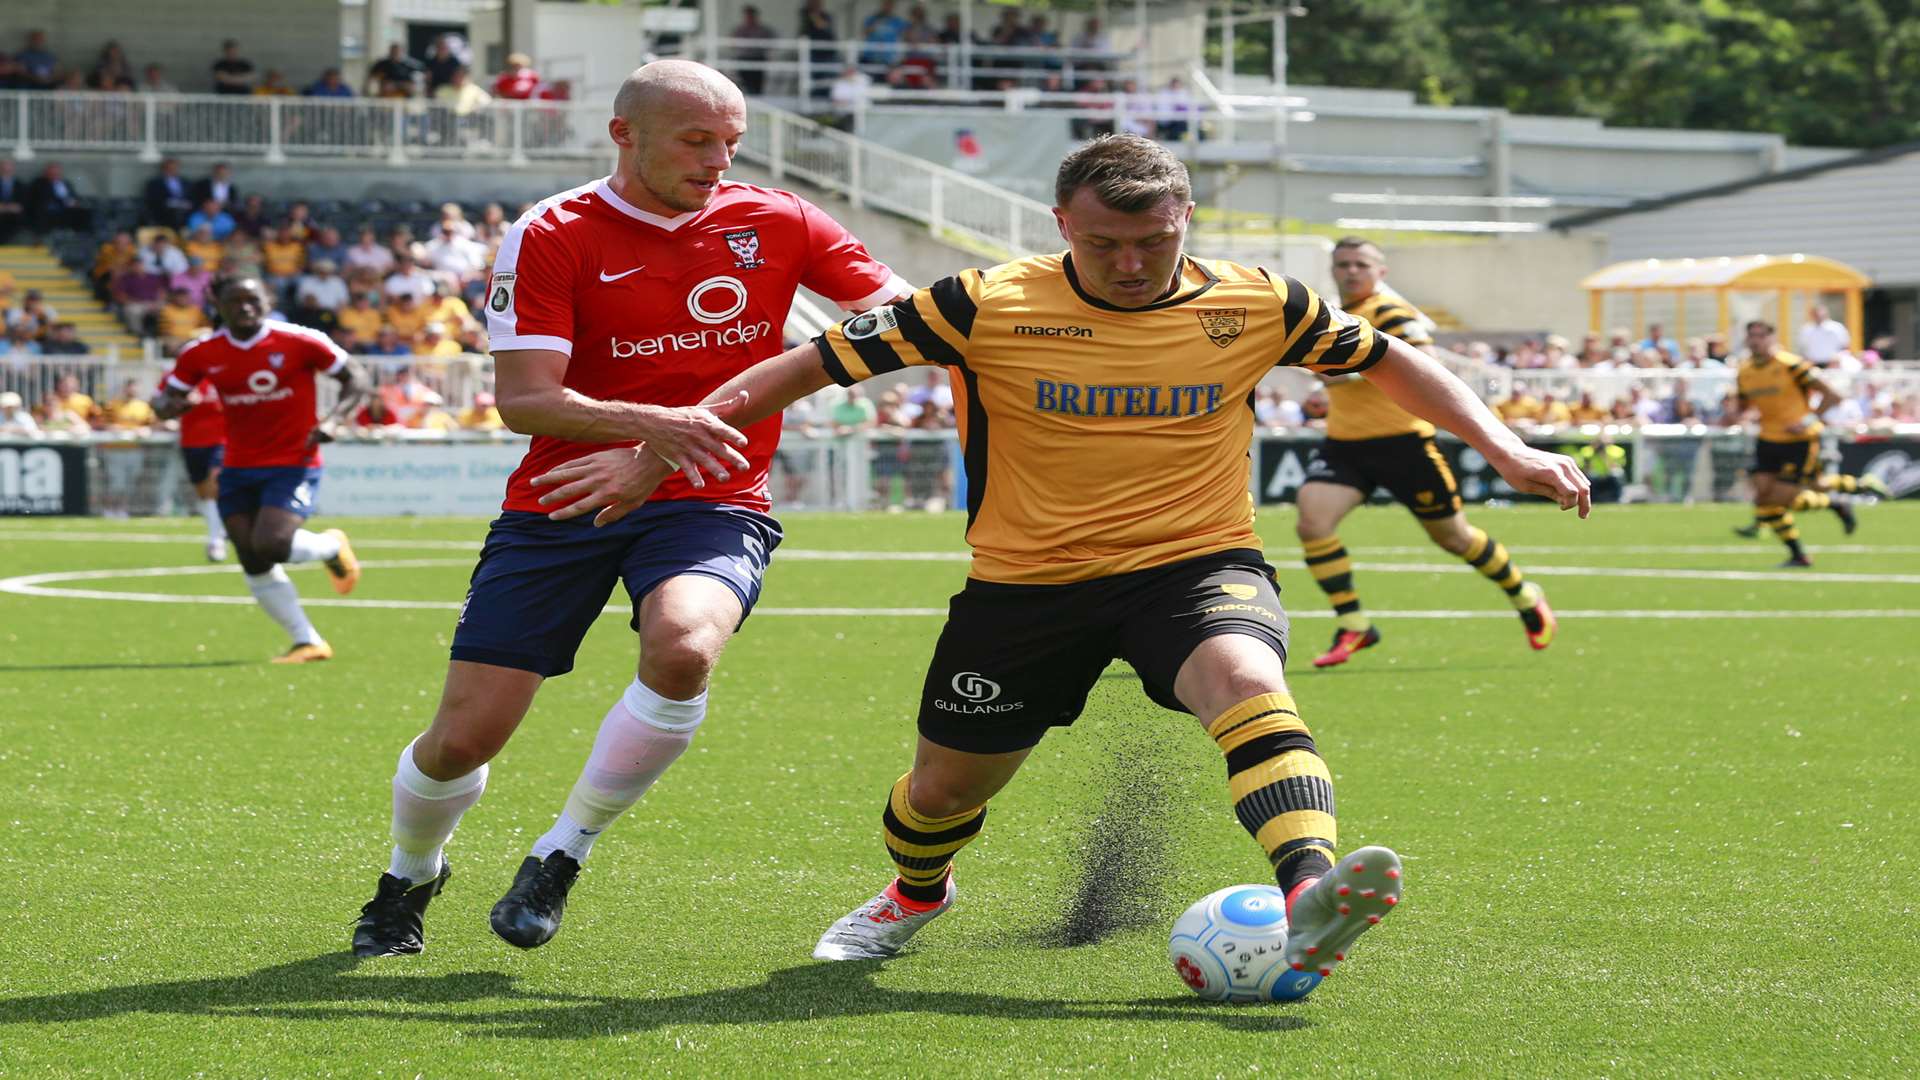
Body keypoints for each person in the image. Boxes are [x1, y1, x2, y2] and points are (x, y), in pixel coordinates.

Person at [530, 134, 1590, 975]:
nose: (1130, 267)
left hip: (1195, 562)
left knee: (1247, 678)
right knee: (944, 792)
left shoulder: (1259, 299)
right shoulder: (983, 302)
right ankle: (912, 895)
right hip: (1026, 587)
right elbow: (791, 370)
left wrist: (1505, 445)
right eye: (1104, 246)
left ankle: (1310, 892)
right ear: (1060, 227)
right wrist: (653, 454)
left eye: (1154, 244)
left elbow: (1393, 358)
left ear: (1186, 223)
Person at [345, 59, 910, 959]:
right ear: (625, 134)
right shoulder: (551, 232)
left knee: (685, 645)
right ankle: (410, 872)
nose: (718, 161)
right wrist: (657, 423)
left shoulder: (782, 220)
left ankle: (562, 852)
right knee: (462, 739)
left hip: (714, 494)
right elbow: (525, 399)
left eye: (730, 143)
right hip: (561, 497)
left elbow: (900, 313)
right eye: (696, 141)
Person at [1295, 238, 1556, 667]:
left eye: (1361, 264)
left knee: (1454, 538)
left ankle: (1525, 595)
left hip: (1404, 444)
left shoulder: (1391, 312)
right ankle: (1355, 624)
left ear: (1381, 272)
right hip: (1345, 444)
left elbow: (1426, 360)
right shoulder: (1335, 316)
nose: (1351, 271)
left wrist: (1350, 375)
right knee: (1312, 521)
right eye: (1343, 264)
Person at [151, 278, 371, 659]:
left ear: (268, 299)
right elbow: (164, 399)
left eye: (253, 300)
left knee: (271, 543)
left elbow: (357, 378)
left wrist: (335, 420)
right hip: (237, 465)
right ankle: (307, 640)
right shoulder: (200, 353)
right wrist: (169, 407)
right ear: (217, 303)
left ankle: (332, 546)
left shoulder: (301, 340)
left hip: (294, 462)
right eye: (235, 301)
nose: (245, 308)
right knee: (252, 557)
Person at [1731, 320, 1885, 563]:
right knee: (1764, 498)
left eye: (1761, 335)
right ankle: (1801, 552)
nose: (1755, 340)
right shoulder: (1745, 371)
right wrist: (1740, 415)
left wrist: (1808, 419)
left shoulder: (1791, 365)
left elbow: (1833, 395)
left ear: (1771, 338)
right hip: (1768, 440)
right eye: (1752, 336)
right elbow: (1742, 406)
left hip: (1798, 440)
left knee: (1784, 496)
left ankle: (1842, 500)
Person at [172, 373, 230, 561]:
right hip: (191, 442)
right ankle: (218, 528)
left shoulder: (223, 376)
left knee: (215, 485)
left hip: (220, 441)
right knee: (202, 491)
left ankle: (215, 540)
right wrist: (182, 402)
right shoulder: (179, 379)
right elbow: (160, 405)